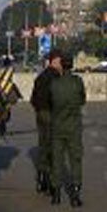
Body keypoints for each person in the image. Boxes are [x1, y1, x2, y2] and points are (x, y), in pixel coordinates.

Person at [45, 49, 87, 207]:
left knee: (57, 160)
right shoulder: (77, 82)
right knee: (75, 159)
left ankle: (56, 194)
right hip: (74, 126)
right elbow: (82, 100)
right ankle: (75, 195)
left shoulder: (54, 84)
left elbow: (50, 103)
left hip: (57, 126)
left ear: (61, 65)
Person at [30, 49, 62, 196]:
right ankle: (51, 182)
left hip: (40, 113)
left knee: (43, 145)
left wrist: (39, 109)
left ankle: (42, 179)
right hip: (52, 114)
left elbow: (33, 99)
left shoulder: (40, 77)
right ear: (55, 61)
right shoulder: (56, 77)